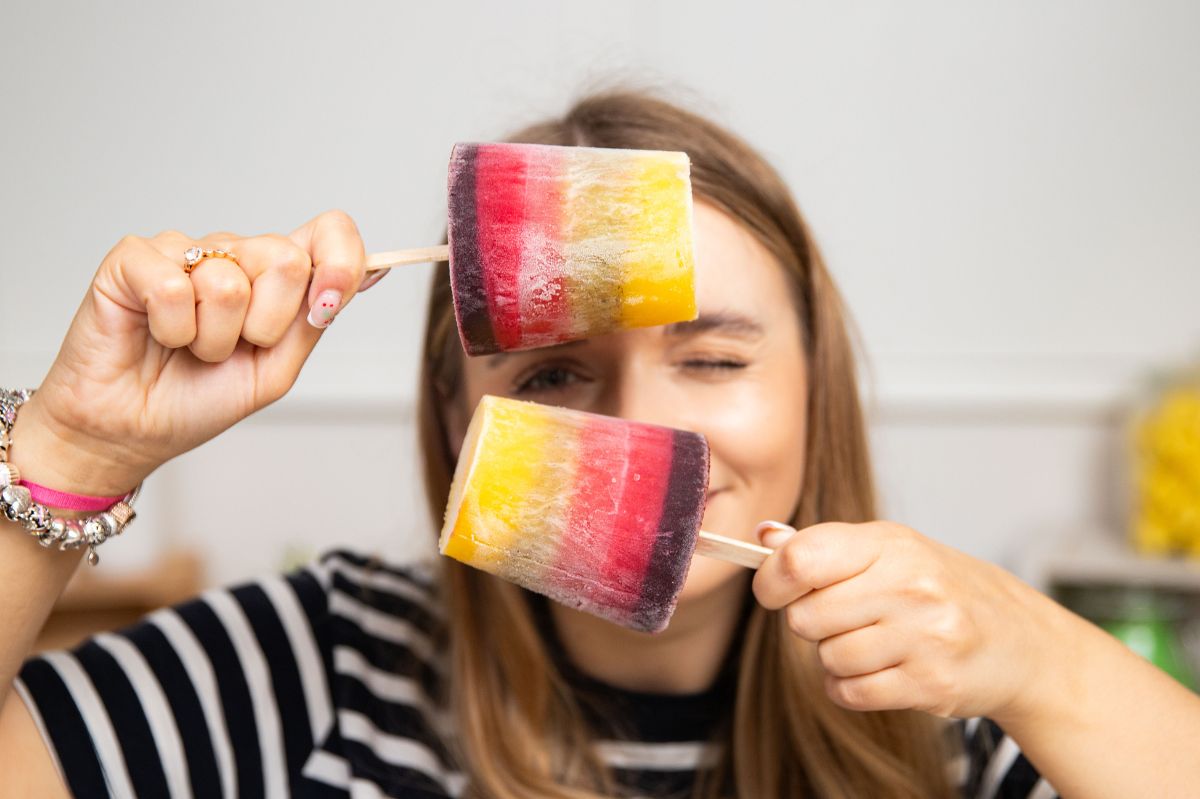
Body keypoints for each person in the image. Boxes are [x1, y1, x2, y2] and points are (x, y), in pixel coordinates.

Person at [1, 91, 1197, 799]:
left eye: (717, 361)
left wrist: (1045, 659)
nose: (642, 427)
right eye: (555, 373)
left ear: (815, 392)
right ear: (454, 420)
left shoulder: (960, 726)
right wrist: (80, 444)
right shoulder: (303, 670)